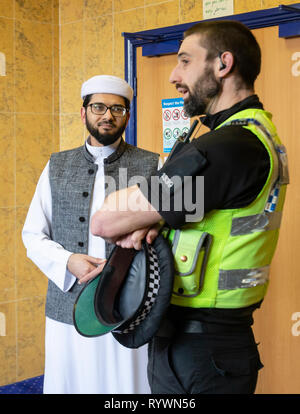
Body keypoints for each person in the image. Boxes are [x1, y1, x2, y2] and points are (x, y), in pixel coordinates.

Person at [90, 21, 289, 394]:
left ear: (223, 64)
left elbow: (104, 220)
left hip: (200, 353)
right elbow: (175, 216)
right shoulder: (250, 135)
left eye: (184, 61)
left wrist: (138, 211)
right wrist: (153, 218)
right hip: (208, 346)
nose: (173, 76)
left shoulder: (229, 147)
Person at [22, 75, 159, 394]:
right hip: (67, 305)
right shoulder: (57, 166)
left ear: (127, 115)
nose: (107, 115)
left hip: (129, 304)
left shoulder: (152, 165)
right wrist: (68, 261)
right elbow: (33, 234)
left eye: (117, 108)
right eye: (98, 106)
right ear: (83, 112)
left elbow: (173, 232)